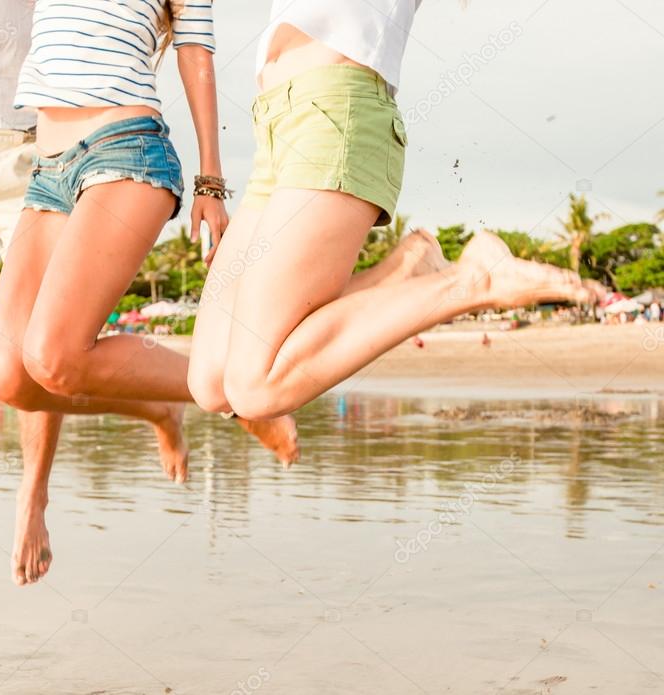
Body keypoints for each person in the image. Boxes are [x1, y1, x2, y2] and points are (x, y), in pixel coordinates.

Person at [0, 0, 216, 579]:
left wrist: (212, 178)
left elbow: (191, 45)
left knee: (45, 347)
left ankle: (34, 495)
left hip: (28, 143)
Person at [0, 0, 304, 585]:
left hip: (125, 148)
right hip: (47, 166)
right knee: (10, 376)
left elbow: (195, 54)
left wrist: (211, 180)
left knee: (53, 357)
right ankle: (163, 406)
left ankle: (236, 395)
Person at [186, 1, 601, 420]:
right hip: (274, 123)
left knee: (255, 388)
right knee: (211, 381)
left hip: (335, 113)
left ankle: (474, 280)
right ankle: (404, 272)